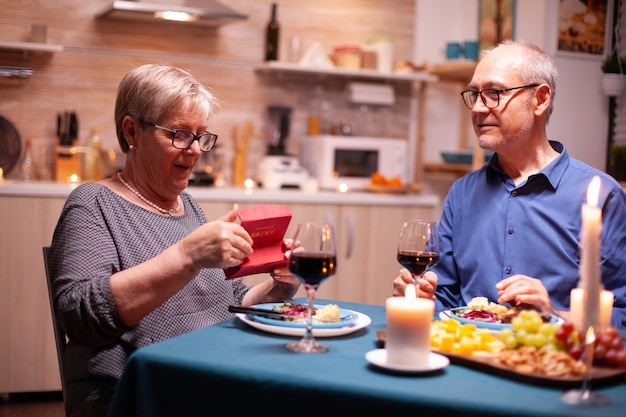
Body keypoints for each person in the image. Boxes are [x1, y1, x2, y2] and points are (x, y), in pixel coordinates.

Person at [48, 63, 301, 417]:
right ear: (132, 131)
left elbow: (230, 302)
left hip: (210, 383)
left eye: (201, 137)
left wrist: (279, 288)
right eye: (180, 134)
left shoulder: (191, 209)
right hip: (140, 397)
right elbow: (80, 315)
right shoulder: (93, 203)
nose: (196, 150)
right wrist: (188, 255)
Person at [393, 40, 626, 329]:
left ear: (540, 99)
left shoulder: (603, 196)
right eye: (475, 94)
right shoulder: (462, 194)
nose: (478, 108)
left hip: (549, 366)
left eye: (493, 93)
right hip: (468, 361)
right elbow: (445, 300)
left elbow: (622, 314)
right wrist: (420, 299)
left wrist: (554, 314)